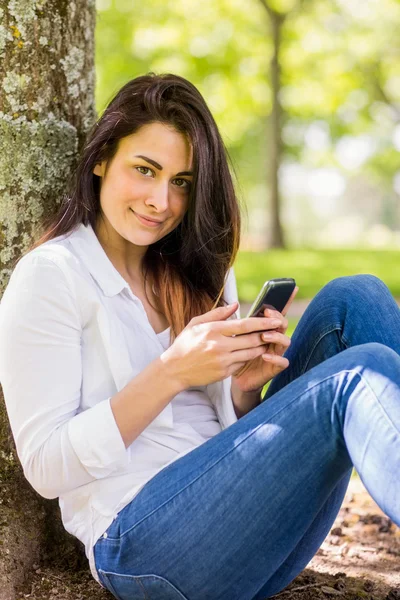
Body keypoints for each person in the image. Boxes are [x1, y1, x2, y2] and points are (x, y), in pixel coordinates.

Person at [0, 73, 398, 600]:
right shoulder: (52, 275)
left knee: (358, 298)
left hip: (238, 533)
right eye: (144, 170)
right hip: (143, 546)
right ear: (100, 161)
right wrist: (169, 374)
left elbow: (224, 436)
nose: (160, 201)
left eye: (181, 182)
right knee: (355, 377)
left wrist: (243, 389)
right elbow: (46, 468)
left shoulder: (197, 267)